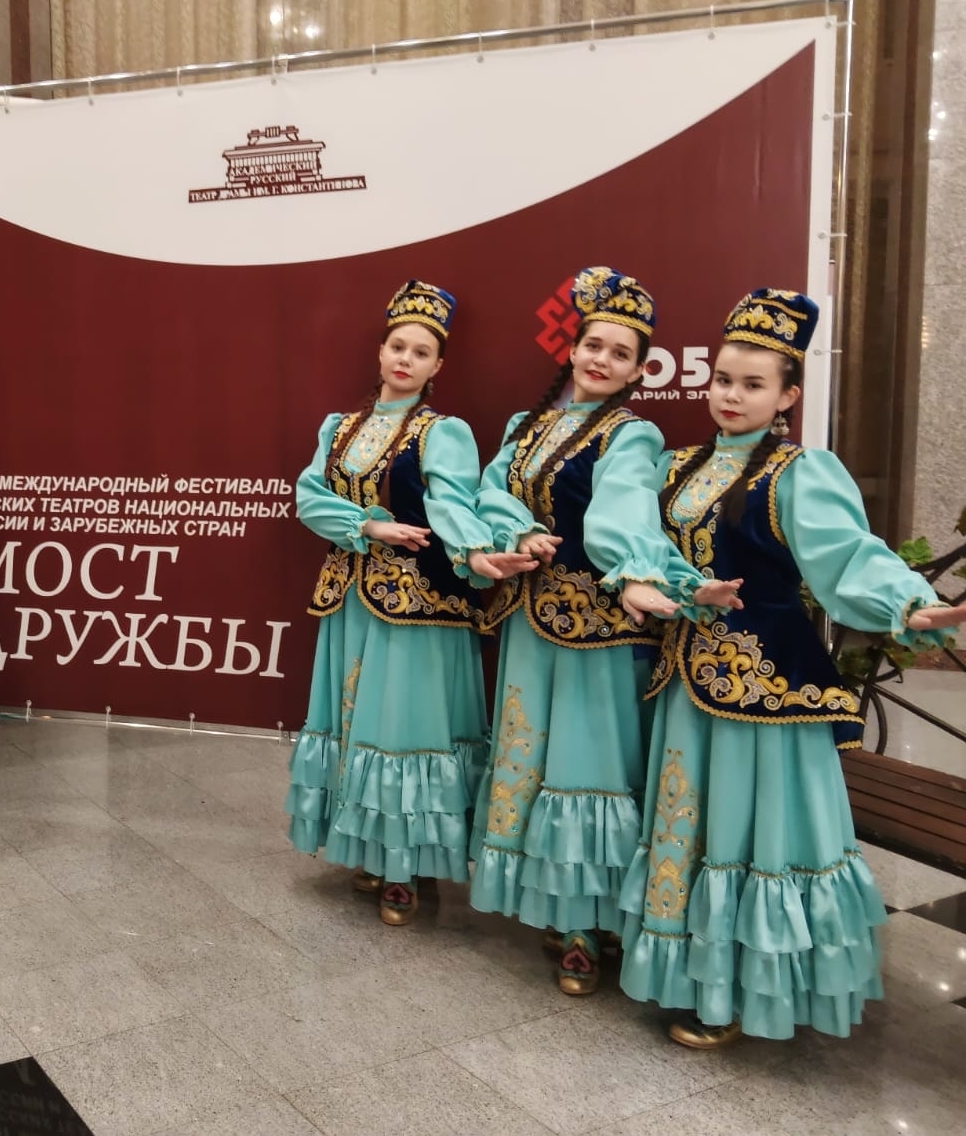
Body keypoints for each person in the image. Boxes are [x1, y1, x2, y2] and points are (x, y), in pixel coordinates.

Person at [617, 289, 966, 1048]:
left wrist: (908, 602)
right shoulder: (678, 466)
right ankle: (697, 978)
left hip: (767, 688)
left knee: (756, 834)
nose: (731, 396)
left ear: (786, 396)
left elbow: (847, 555)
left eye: (753, 384)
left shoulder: (799, 473)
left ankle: (745, 991)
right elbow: (640, 546)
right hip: (687, 680)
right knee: (693, 825)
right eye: (723, 380)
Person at [468, 266, 733, 995]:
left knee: (591, 767)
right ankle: (556, 905)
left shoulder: (633, 434)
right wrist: (517, 531)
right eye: (594, 345)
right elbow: (491, 490)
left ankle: (592, 919)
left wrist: (635, 574)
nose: (602, 360)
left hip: (603, 625)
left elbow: (623, 512)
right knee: (532, 756)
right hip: (529, 618)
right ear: (572, 347)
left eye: (621, 354)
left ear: (638, 370)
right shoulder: (525, 427)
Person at [286, 282, 537, 924]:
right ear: (380, 351)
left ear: (437, 366)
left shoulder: (443, 432)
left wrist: (476, 551)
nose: (406, 359)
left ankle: (407, 867)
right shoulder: (339, 428)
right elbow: (310, 497)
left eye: (421, 352)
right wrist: (369, 525)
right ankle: (370, 851)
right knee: (356, 726)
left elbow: (453, 503)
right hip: (351, 596)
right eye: (398, 346)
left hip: (418, 602)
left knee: (402, 730)